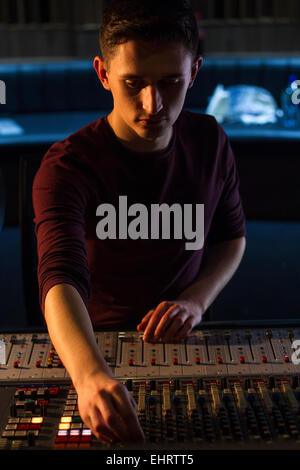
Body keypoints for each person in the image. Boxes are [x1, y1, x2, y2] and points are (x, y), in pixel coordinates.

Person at [32, 0, 246, 446]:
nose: (153, 104)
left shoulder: (210, 141)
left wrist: (195, 302)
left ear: (194, 71)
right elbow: (59, 276)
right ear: (103, 74)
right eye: (134, 83)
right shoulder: (66, 166)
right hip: (93, 348)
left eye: (170, 82)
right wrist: (90, 376)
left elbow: (231, 239)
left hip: (187, 342)